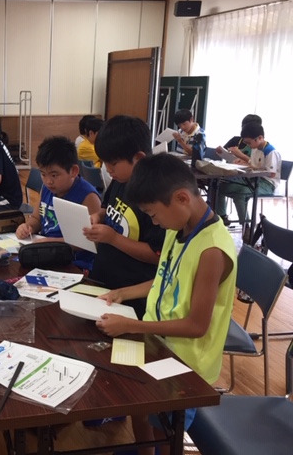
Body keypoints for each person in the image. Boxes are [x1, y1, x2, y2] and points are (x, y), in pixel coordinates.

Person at [96, 153, 237, 455]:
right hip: (159, 341)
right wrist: (123, 293)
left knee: (165, 431)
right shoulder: (178, 227)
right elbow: (165, 278)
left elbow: (196, 326)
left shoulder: (212, 250)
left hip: (185, 363)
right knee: (136, 401)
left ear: (182, 198)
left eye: (153, 214)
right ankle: (145, 450)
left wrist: (132, 325)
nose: (154, 222)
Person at [83, 115, 165, 319]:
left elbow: (157, 255)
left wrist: (113, 238)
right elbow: (107, 207)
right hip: (104, 278)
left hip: (131, 293)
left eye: (113, 163)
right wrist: (98, 215)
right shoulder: (120, 179)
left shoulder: (155, 197)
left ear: (138, 158)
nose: (108, 169)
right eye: (105, 162)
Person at [15, 136, 101, 269]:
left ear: (73, 171)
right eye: (43, 174)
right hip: (46, 253)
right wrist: (27, 227)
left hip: (75, 262)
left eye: (54, 175)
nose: (48, 181)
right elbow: (37, 219)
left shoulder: (88, 196)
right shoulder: (47, 188)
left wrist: (51, 242)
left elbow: (90, 241)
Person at [215, 121, 281, 227]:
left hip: (267, 184)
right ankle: (222, 218)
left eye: (249, 143)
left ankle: (246, 227)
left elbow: (271, 174)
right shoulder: (255, 148)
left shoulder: (270, 152)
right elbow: (253, 164)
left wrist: (251, 168)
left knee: (240, 194)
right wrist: (245, 163)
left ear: (260, 138)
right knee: (221, 187)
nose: (248, 145)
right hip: (253, 180)